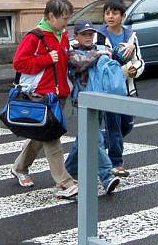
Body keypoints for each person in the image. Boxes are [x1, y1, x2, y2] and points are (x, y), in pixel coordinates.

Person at [9, 0, 78, 199]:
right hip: (41, 96)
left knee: (40, 136)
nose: (67, 22)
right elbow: (19, 64)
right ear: (50, 16)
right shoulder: (35, 37)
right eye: (64, 18)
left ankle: (19, 167)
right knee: (51, 137)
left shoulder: (62, 35)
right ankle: (64, 183)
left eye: (67, 18)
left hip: (59, 94)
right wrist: (46, 59)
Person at [64, 19, 121, 195]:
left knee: (85, 139)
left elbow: (117, 60)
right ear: (77, 36)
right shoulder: (73, 53)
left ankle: (68, 172)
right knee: (96, 139)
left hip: (99, 99)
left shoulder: (100, 50)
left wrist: (121, 52)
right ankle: (106, 176)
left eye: (90, 34)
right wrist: (101, 54)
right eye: (84, 34)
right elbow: (82, 62)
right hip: (84, 102)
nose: (88, 37)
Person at [95, 0, 144, 177]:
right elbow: (102, 64)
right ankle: (116, 163)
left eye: (114, 13)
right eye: (107, 13)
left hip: (127, 88)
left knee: (127, 125)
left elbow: (139, 60)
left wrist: (135, 69)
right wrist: (124, 69)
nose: (110, 16)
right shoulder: (99, 35)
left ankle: (95, 146)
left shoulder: (130, 36)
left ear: (123, 16)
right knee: (114, 127)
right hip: (109, 89)